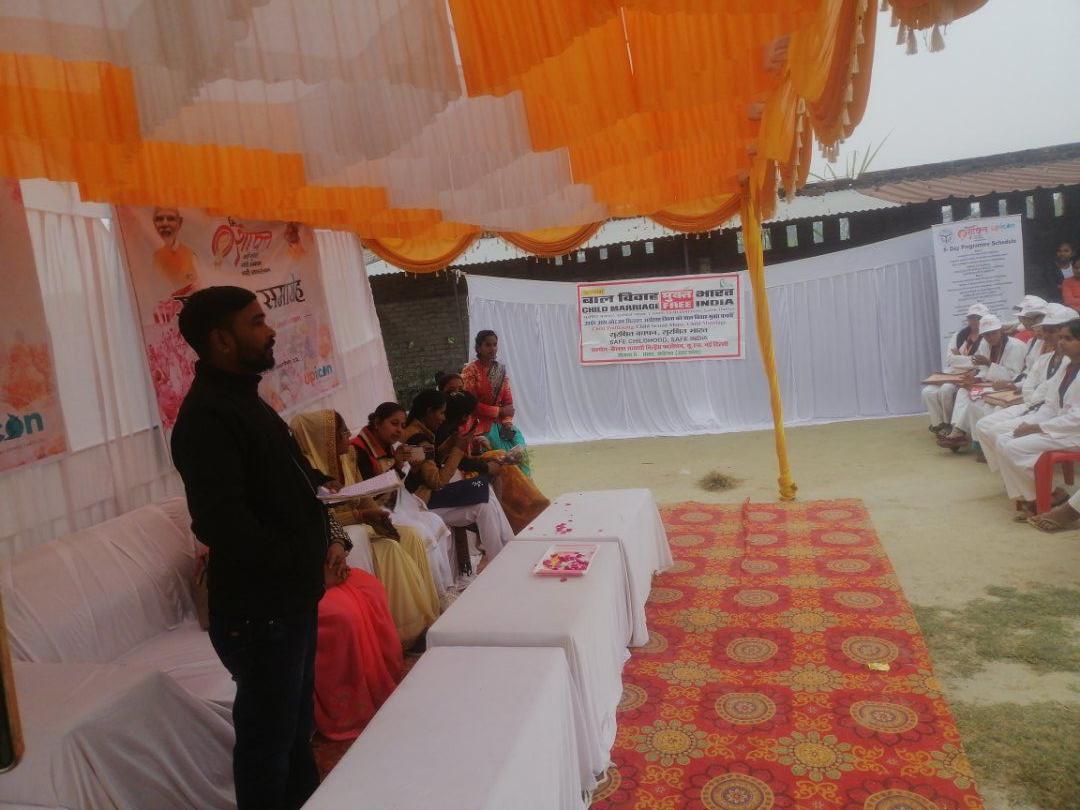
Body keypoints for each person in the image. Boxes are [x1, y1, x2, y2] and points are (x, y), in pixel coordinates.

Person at [170, 286, 327, 810]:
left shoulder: (242, 399)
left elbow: (286, 488)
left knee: (295, 735)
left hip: (288, 601)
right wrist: (296, 559)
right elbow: (222, 524)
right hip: (260, 613)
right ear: (221, 339)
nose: (270, 329)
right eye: (256, 322)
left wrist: (327, 530)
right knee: (267, 749)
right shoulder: (207, 417)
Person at [290, 410, 444, 646]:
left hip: (365, 522)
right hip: (342, 535)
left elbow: (362, 495)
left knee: (411, 536)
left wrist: (378, 516)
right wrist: (362, 515)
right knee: (391, 549)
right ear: (325, 439)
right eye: (342, 433)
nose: (347, 437)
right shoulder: (307, 471)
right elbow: (321, 519)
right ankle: (401, 633)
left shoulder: (348, 456)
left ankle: (425, 620)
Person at [363, 400, 516, 565]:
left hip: (416, 499)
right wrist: (457, 449)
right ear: (429, 412)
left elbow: (427, 462)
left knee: (485, 493)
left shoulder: (406, 441)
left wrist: (451, 446)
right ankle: (501, 560)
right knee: (483, 500)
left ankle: (508, 551)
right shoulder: (415, 438)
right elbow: (436, 481)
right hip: (418, 501)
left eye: (402, 425)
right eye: (441, 412)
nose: (443, 418)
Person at [974, 305, 1077, 472]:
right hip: (1038, 407)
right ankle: (1011, 474)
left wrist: (1036, 425)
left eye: (1065, 336)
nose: (1048, 335)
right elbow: (1034, 382)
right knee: (988, 426)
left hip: (1066, 427)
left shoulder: (1067, 361)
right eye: (1047, 330)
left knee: (1007, 441)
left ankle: (1026, 479)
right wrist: (1028, 404)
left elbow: (1067, 413)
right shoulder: (1055, 359)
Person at [994, 317, 1080, 516]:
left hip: (1074, 433)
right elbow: (1051, 404)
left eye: (1068, 338)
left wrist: (1037, 428)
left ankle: (1047, 496)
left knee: (1014, 448)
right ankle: (1043, 495)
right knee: (1003, 439)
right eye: (1060, 337)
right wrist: (1031, 423)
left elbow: (1077, 418)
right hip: (1060, 427)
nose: (1061, 342)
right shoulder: (1067, 366)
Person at [937, 314, 1028, 449]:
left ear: (1000, 331)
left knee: (975, 398)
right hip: (991, 383)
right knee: (964, 390)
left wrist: (988, 363)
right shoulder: (985, 343)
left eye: (993, 333)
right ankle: (957, 430)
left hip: (1009, 386)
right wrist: (976, 379)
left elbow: (1012, 375)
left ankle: (960, 434)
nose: (990, 337)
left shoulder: (1016, 346)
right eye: (986, 334)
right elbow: (982, 369)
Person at [461, 330, 533, 476]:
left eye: (495, 345)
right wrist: (499, 411)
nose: (493, 348)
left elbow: (508, 403)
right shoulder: (470, 371)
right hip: (478, 425)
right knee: (500, 456)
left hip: (501, 424)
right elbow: (470, 404)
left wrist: (507, 423)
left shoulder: (500, 370)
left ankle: (521, 486)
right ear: (478, 348)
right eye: (488, 345)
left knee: (519, 448)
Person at [921, 303, 990, 434]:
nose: (974, 321)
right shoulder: (959, 335)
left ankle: (949, 424)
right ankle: (938, 423)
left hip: (971, 375)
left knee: (946, 390)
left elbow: (981, 362)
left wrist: (960, 357)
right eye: (971, 317)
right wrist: (970, 359)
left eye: (978, 318)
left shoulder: (987, 338)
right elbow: (950, 359)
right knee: (927, 392)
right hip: (952, 373)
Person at [152, 207, 201, 298]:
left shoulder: (190, 255)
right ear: (154, 223)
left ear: (180, 222)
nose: (164, 224)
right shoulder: (154, 257)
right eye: (159, 219)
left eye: (171, 218)